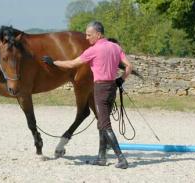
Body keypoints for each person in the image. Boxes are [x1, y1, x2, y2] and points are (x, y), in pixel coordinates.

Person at [42, 21, 132, 169]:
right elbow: (129, 66)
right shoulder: (115, 47)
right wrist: (121, 80)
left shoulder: (93, 50)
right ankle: (101, 157)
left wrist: (54, 62)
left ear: (98, 34)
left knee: (104, 125)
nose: (86, 38)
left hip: (101, 88)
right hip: (112, 87)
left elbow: (72, 64)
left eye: (89, 35)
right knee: (102, 123)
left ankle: (121, 158)